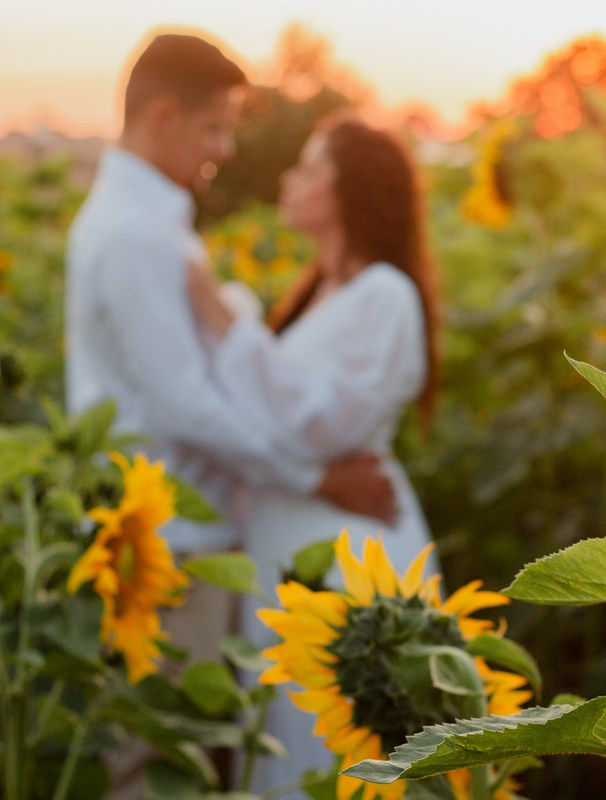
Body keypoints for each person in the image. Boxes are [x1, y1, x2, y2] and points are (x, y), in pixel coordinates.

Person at [65, 31, 397, 797]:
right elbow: (184, 402)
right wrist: (313, 477)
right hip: (169, 543)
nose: (222, 149)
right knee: (160, 760)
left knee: (172, 754)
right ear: (164, 116)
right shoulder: (134, 232)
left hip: (174, 530)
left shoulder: (146, 218)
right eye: (214, 126)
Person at [185, 114, 440, 797]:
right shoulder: (320, 291)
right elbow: (268, 407)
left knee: (335, 759)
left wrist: (224, 317)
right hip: (292, 545)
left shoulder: (384, 293)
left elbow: (321, 420)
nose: (288, 180)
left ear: (349, 190)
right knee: (288, 747)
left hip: (347, 553)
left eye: (308, 167)